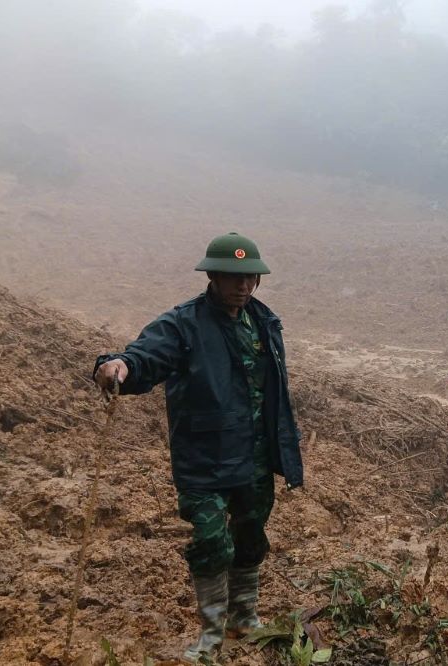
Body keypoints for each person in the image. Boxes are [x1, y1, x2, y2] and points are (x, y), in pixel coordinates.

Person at [92, 232, 303, 662]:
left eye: (250, 278)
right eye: (232, 277)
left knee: (250, 536)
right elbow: (145, 356)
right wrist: (117, 366)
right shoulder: (183, 323)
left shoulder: (265, 321)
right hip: (205, 457)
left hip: (256, 455)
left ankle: (244, 619)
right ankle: (210, 633)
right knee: (210, 540)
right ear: (212, 275)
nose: (243, 286)